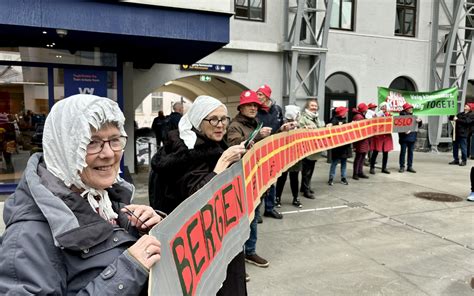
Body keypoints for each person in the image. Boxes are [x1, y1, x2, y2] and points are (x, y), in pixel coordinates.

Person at [0, 94, 163, 295]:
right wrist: (128, 271)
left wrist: (147, 230)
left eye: (114, 140)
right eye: (92, 142)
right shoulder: (28, 235)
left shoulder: (102, 198)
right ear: (64, 148)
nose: (109, 153)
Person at [150, 95, 247, 295]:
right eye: (213, 119)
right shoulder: (189, 151)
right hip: (201, 242)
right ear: (197, 121)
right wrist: (223, 163)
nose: (220, 125)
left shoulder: (211, 144)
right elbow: (196, 198)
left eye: (224, 119)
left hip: (218, 231)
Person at [227, 90, 272, 275]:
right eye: (250, 105)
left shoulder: (256, 124)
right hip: (240, 178)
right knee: (240, 222)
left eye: (256, 105)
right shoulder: (235, 126)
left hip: (255, 176)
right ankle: (236, 261)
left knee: (252, 218)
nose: (253, 108)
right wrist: (257, 136)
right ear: (241, 107)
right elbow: (234, 146)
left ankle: (250, 252)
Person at [256, 84, 293, 219]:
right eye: (257, 93)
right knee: (259, 181)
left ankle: (269, 208)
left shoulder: (277, 110)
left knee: (272, 180)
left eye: (260, 94)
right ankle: (256, 209)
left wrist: (284, 128)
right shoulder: (255, 110)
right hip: (259, 151)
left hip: (273, 150)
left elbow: (279, 127)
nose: (257, 96)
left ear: (267, 96)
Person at [275, 105, 303, 208]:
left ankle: (296, 198)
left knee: (295, 177)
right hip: (284, 155)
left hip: (296, 155)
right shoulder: (282, 124)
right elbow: (276, 137)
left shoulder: (299, 125)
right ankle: (277, 198)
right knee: (282, 177)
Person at [298, 99, 325, 199]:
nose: (314, 107)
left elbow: (320, 128)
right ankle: (306, 190)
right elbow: (299, 130)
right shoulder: (303, 118)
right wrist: (305, 128)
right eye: (312, 105)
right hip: (307, 148)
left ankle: (305, 186)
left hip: (315, 148)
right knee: (306, 170)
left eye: (315, 106)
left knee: (311, 168)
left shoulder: (316, 118)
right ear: (307, 107)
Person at [327, 106, 351, 185]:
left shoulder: (344, 120)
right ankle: (331, 178)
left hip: (344, 145)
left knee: (343, 162)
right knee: (335, 162)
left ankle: (343, 177)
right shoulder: (334, 120)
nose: (346, 113)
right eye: (345, 112)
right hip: (338, 146)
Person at [369, 102, 394, 174]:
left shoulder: (389, 114)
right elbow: (373, 120)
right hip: (379, 135)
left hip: (386, 135)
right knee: (375, 151)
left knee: (386, 152)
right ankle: (372, 167)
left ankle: (384, 168)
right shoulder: (377, 114)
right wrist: (378, 115)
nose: (385, 108)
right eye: (383, 107)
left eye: (385, 106)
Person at [398, 103, 422, 173]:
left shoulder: (414, 117)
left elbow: (418, 126)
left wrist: (420, 121)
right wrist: (403, 132)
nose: (411, 109)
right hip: (404, 138)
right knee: (403, 152)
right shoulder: (401, 117)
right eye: (409, 108)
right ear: (406, 109)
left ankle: (410, 166)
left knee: (410, 152)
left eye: (411, 108)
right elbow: (398, 127)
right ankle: (402, 166)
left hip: (412, 137)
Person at [351, 103, 370, 180]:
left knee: (362, 157)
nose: (367, 110)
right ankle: (356, 173)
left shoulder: (360, 116)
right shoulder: (359, 117)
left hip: (363, 140)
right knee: (359, 157)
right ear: (363, 110)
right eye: (366, 109)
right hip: (360, 140)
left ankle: (360, 172)